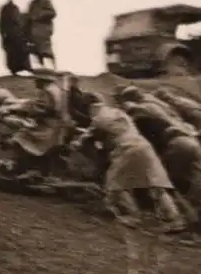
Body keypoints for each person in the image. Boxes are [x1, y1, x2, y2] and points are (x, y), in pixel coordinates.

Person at [71, 98, 186, 233]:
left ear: (92, 108)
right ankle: (175, 218)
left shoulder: (98, 117)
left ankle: (132, 215)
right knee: (156, 184)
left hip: (126, 148)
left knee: (115, 181)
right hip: (143, 145)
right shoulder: (119, 112)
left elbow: (88, 135)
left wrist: (76, 143)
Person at [121, 100, 201, 228]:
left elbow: (153, 146)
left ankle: (185, 217)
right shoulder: (161, 117)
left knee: (169, 182)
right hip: (192, 144)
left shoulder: (140, 123)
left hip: (175, 146)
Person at [0, 68, 65, 178]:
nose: (35, 82)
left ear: (42, 80)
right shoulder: (54, 89)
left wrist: (16, 110)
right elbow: (37, 104)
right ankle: (28, 168)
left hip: (48, 127)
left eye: (37, 79)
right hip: (54, 125)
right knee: (25, 134)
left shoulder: (47, 91)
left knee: (20, 138)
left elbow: (39, 107)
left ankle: (20, 168)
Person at [0, 0, 32, 75]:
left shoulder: (15, 7)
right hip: (9, 32)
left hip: (16, 32)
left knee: (19, 50)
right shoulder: (5, 8)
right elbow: (2, 22)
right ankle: (14, 70)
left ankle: (23, 68)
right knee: (11, 52)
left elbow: (19, 21)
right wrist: (2, 34)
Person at [25, 0, 57, 69]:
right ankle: (42, 68)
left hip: (44, 29)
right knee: (37, 50)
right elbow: (29, 17)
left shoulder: (46, 1)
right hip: (35, 31)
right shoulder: (32, 4)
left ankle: (54, 67)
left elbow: (53, 13)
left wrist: (40, 15)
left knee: (47, 50)